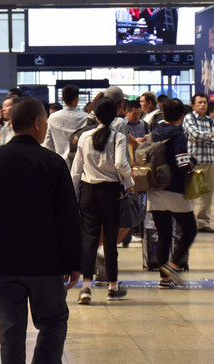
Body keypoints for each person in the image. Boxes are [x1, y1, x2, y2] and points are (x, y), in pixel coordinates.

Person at [0, 96, 80, 364]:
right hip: (46, 264)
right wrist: (74, 261)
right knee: (53, 322)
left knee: (10, 329)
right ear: (37, 123)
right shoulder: (52, 163)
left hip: (2, 261)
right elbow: (68, 217)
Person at [71, 97, 133, 303]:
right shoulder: (118, 137)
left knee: (89, 239)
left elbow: (76, 170)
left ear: (95, 116)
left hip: (88, 193)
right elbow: (120, 163)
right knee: (109, 241)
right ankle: (113, 287)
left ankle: (86, 288)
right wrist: (130, 181)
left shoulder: (85, 137)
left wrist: (73, 193)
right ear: (115, 115)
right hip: (110, 192)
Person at [147, 98, 198, 288]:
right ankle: (174, 264)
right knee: (190, 229)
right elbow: (182, 164)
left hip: (155, 188)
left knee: (164, 234)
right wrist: (192, 162)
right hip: (175, 189)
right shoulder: (178, 134)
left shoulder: (155, 131)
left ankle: (164, 279)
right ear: (181, 116)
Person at [183, 93, 214, 233]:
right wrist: (210, 135)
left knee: (208, 194)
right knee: (194, 193)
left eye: (205, 102)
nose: (202, 105)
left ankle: (203, 223)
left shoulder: (211, 120)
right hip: (196, 161)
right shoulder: (189, 118)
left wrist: (206, 136)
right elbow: (195, 134)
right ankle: (192, 223)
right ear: (193, 105)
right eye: (199, 102)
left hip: (211, 160)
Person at [43, 83, 89, 163]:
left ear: (62, 98)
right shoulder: (85, 117)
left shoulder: (53, 117)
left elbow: (48, 143)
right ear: (77, 99)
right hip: (80, 162)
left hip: (59, 161)